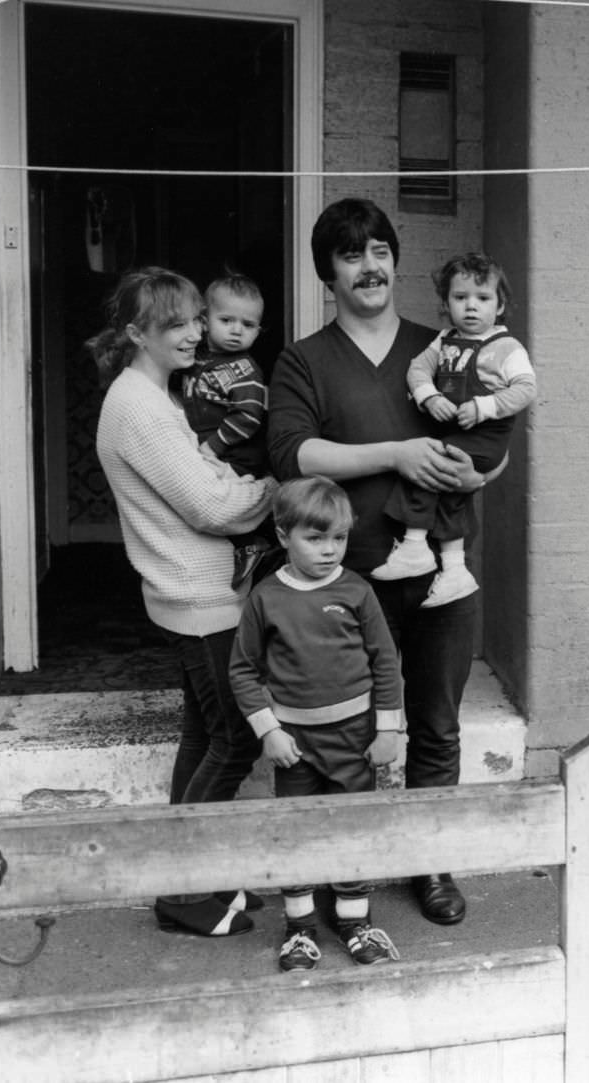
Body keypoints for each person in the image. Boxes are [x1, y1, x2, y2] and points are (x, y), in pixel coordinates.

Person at [267, 197, 497, 928]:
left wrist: (477, 473)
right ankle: (344, 869)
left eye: (378, 250)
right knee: (346, 731)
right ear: (327, 274)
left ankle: (430, 862)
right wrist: (395, 453)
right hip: (341, 583)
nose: (369, 266)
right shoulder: (305, 359)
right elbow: (292, 454)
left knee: (437, 722)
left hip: (439, 576)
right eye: (349, 254)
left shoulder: (449, 347)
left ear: (394, 260)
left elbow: (494, 436)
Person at [87, 266, 274, 938]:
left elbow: (205, 473)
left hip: (189, 594)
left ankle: (203, 880)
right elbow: (211, 502)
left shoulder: (151, 395)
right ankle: (183, 893)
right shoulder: (137, 404)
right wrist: (275, 487)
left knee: (203, 734)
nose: (195, 333)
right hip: (197, 598)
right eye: (178, 323)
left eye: (198, 318)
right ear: (138, 331)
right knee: (236, 738)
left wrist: (231, 479)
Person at [229, 477, 404, 971]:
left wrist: (388, 729)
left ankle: (355, 922)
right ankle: (300, 928)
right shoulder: (266, 598)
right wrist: (269, 731)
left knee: (352, 826)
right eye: (315, 538)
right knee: (297, 828)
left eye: (339, 538)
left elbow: (385, 662)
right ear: (284, 536)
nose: (330, 551)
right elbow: (242, 669)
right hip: (296, 742)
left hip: (355, 736)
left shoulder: (356, 591)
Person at [371, 252, 536, 608]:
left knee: (429, 466)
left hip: (486, 436)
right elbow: (417, 370)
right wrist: (429, 397)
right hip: (458, 433)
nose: (471, 307)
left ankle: (415, 545)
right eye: (460, 298)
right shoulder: (444, 341)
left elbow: (525, 388)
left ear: (501, 304)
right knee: (449, 492)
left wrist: (483, 406)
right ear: (446, 303)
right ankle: (454, 570)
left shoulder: (506, 348)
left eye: (483, 298)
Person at [181, 272, 277, 589]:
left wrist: (213, 447)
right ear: (205, 320)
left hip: (237, 453)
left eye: (248, 325)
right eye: (227, 320)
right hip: (210, 447)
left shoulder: (245, 370)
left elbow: (249, 416)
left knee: (226, 500)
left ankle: (251, 543)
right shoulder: (196, 360)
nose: (237, 330)